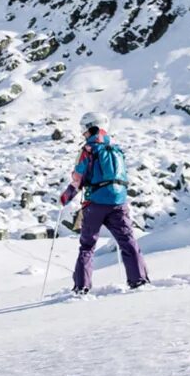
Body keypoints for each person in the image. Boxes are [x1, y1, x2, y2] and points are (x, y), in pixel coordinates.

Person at [59, 112, 150, 294]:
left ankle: (82, 286)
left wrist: (65, 197)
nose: (83, 134)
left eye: (84, 130)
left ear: (91, 127)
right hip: (118, 202)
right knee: (128, 241)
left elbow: (78, 178)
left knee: (87, 246)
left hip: (95, 204)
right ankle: (139, 280)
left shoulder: (89, 150)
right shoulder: (116, 149)